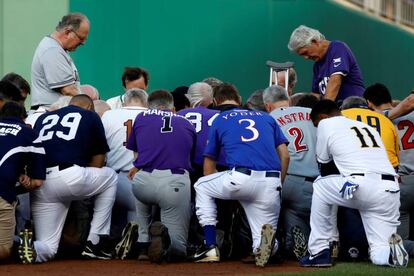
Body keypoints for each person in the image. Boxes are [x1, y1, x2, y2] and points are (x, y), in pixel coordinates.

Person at [300, 99, 408, 268]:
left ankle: (319, 251)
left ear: (322, 116)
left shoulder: (326, 123)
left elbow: (323, 164)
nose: (316, 127)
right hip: (390, 189)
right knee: (378, 251)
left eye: (315, 123)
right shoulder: (367, 127)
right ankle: (390, 254)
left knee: (320, 184)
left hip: (362, 185)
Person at [192, 84, 289, 267]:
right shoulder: (267, 118)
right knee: (260, 241)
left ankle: (210, 245)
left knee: (202, 185)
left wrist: (226, 194)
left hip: (240, 177)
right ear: (240, 100)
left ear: (215, 101)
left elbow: (208, 165)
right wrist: (278, 184)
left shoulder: (219, 118)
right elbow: (285, 155)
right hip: (271, 182)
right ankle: (270, 245)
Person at [19, 95, 118, 263]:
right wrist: (83, 187)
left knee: (48, 247)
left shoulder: (43, 117)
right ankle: (95, 241)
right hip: (70, 176)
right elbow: (98, 162)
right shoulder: (90, 115)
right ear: (88, 107)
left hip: (41, 183)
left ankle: (30, 246)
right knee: (111, 177)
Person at [127, 90, 196, 262]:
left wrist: (138, 167)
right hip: (174, 182)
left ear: (149, 106)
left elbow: (137, 154)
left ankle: (143, 244)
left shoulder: (142, 117)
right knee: (178, 249)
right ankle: (165, 240)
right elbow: (192, 155)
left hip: (143, 182)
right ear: (172, 108)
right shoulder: (186, 122)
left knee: (140, 181)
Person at [263, 85, 318, 260]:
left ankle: (271, 244)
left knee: (264, 207)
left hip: (287, 178)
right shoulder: (311, 112)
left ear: (268, 106)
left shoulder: (269, 117)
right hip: (316, 185)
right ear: (288, 99)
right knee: (299, 216)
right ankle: (320, 243)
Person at [363, 84, 414, 249]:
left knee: (396, 244)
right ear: (390, 100)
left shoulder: (374, 122)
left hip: (402, 183)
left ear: (369, 103)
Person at [101, 88, 148, 260]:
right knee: (140, 213)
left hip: (117, 180)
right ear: (146, 102)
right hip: (146, 178)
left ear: (124, 101)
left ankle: (107, 241)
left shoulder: (109, 115)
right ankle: (137, 240)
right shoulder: (152, 115)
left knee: (114, 213)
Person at [0, 102, 46, 261]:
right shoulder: (28, 133)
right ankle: (22, 242)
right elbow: (38, 181)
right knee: (4, 251)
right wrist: (27, 181)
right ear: (23, 117)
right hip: (2, 194)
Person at [288, 25, 364, 103]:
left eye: (305, 52)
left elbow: (335, 81)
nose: (306, 58)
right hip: (337, 111)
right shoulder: (317, 65)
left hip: (354, 108)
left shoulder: (337, 48)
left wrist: (324, 108)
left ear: (314, 41)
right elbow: (316, 95)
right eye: (302, 55)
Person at [30, 13, 89, 111]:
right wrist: (90, 105)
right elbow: (68, 90)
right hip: (47, 112)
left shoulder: (57, 48)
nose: (83, 43)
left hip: (54, 113)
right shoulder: (52, 50)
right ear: (67, 32)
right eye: (81, 38)